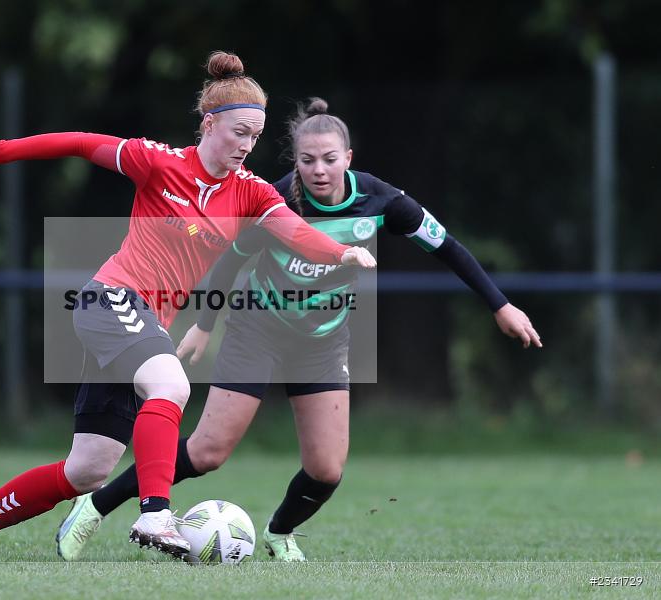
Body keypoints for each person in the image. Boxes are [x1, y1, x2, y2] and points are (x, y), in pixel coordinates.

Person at [55, 97, 542, 562]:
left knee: (326, 470)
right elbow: (229, 260)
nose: (318, 171)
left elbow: (448, 247)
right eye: (308, 160)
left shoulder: (382, 201)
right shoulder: (275, 199)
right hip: (257, 331)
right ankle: (95, 506)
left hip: (324, 341)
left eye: (330, 160)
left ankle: (280, 532)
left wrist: (500, 305)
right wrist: (204, 326)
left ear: (348, 158)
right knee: (206, 452)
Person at [0, 58, 376, 565]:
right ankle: (155, 514)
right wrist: (3, 151)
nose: (247, 144)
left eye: (256, 134)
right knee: (172, 387)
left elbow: (294, 231)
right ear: (210, 124)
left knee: (88, 470)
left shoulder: (250, 191)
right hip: (112, 299)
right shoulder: (159, 162)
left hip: (142, 324)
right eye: (239, 131)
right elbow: (81, 142)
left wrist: (340, 252)